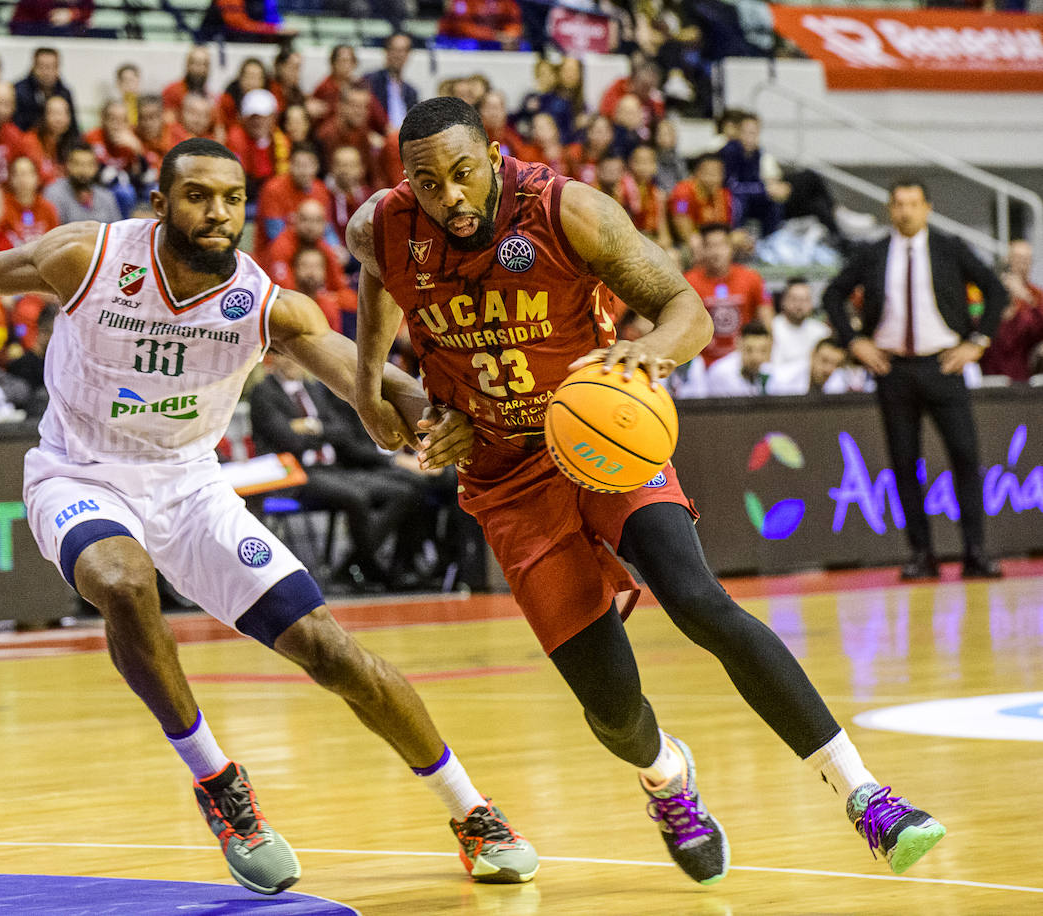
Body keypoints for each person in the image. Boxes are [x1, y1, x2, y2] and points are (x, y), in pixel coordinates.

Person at [0, 136, 539, 895]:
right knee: (125, 582)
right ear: (160, 204)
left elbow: (361, 370)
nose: (218, 213)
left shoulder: (260, 304)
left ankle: (471, 811)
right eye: (198, 197)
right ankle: (219, 784)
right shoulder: (91, 257)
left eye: (233, 199)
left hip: (191, 488)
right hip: (78, 474)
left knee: (332, 652)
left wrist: (441, 413)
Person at [347, 96, 945, 887]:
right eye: (428, 184)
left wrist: (650, 352)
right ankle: (666, 776)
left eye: (463, 173)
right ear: (405, 181)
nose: (449, 196)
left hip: (601, 439)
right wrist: (371, 387)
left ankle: (866, 795)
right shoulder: (379, 228)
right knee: (614, 711)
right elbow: (381, 283)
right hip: (503, 475)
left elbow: (685, 309)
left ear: (493, 157)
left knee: (699, 600)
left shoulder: (569, 212)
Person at [822, 179, 1007, 580]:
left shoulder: (949, 247)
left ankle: (975, 551)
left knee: (965, 456)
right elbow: (832, 294)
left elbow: (996, 290)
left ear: (927, 208)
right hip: (893, 370)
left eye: (913, 203)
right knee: (904, 463)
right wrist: (855, 341)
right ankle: (922, 554)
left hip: (944, 365)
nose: (905, 211)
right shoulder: (873, 253)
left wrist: (978, 342)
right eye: (899, 204)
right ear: (889, 209)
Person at [249, 350, 424, 588]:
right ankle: (366, 568)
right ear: (273, 359)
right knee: (355, 496)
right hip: (296, 474)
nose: (292, 361)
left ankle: (355, 565)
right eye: (285, 356)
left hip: (333, 469)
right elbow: (289, 441)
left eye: (296, 356)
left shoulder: (313, 389)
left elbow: (342, 431)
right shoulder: (263, 393)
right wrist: (321, 432)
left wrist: (310, 426)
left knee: (405, 491)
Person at [683, 223, 771, 364]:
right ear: (702, 250)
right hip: (703, 363)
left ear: (731, 248)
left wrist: (766, 358)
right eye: (710, 246)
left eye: (721, 245)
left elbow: (766, 319)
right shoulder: (688, 282)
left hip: (742, 362)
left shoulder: (751, 278)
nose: (716, 252)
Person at [982, 239, 1043, 382]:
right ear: (1007, 260)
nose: (1023, 265)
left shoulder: (1036, 296)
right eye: (1019, 259)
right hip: (989, 374)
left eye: (1027, 260)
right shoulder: (990, 292)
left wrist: (1027, 298)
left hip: (1022, 376)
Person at [44, 141, 121, 226]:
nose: (84, 170)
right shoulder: (54, 193)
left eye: (89, 165)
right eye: (78, 164)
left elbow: (116, 230)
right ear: (67, 165)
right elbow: (53, 230)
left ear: (96, 167)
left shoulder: (106, 196)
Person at [769, 277, 829, 374]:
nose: (799, 305)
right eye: (794, 299)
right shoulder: (771, 328)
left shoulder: (822, 331)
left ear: (811, 303)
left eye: (804, 300)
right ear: (783, 301)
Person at [14, 47, 79, 134]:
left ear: (57, 69)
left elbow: (73, 129)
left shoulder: (65, 93)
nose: (46, 72)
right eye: (42, 67)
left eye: (51, 67)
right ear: (33, 67)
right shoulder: (19, 91)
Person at [769, 337, 861, 396]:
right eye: (824, 361)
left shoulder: (840, 380)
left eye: (836, 365)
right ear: (812, 355)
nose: (828, 369)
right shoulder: (784, 379)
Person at [364, 32, 418, 130]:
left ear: (408, 54)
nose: (398, 55)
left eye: (403, 50)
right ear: (386, 51)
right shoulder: (370, 81)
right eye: (395, 50)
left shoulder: (411, 92)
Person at [2, 156, 60, 247]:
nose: (22, 179)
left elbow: (55, 240)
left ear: (37, 177)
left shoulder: (48, 208)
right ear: (10, 178)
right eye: (17, 174)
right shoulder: (3, 207)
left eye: (27, 174)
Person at [704, 320, 772, 396]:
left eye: (763, 350)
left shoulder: (769, 371)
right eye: (749, 350)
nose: (756, 357)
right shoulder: (721, 372)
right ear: (739, 345)